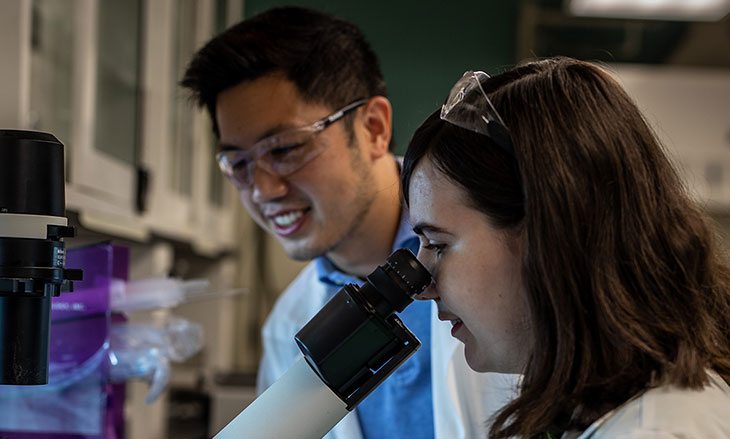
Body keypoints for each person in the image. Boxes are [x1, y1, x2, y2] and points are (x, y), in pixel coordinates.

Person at [181, 6, 517, 439]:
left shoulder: (500, 263)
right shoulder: (289, 325)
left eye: (283, 149)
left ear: (374, 127)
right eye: (238, 163)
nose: (263, 190)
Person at [401, 56, 730, 438]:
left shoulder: (660, 431)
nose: (422, 286)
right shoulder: (595, 414)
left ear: (547, 234)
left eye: (438, 245)